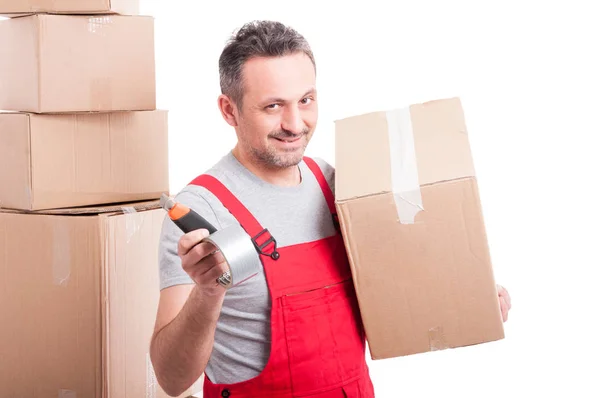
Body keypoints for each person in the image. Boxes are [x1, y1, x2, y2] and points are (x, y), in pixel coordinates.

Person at [149, 20, 512, 397]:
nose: (295, 124)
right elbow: (172, 379)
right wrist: (208, 292)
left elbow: (393, 291)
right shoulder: (202, 211)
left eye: (305, 100)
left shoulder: (336, 185)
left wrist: (467, 296)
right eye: (273, 106)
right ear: (229, 110)